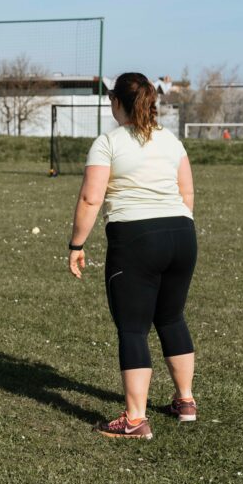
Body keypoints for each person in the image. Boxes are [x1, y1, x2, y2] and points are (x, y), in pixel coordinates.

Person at [67, 72, 198, 440]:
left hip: (136, 239)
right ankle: (185, 401)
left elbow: (91, 198)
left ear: (117, 103)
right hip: (182, 234)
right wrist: (173, 229)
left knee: (133, 328)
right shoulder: (171, 140)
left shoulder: (108, 142)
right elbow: (187, 193)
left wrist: (76, 245)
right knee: (171, 317)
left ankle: (136, 420)